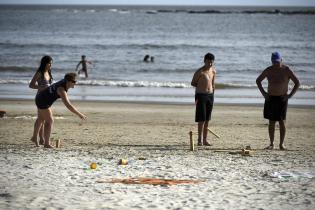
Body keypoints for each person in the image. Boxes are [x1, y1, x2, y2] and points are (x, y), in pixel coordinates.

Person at [256, 52, 300, 150]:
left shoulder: (286, 70)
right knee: (271, 122)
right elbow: (258, 80)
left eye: (277, 61)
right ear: (271, 61)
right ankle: (271, 144)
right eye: (273, 62)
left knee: (282, 122)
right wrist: (264, 93)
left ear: (281, 60)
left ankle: (281, 144)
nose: (275, 63)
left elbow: (297, 83)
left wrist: (289, 96)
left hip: (282, 99)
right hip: (270, 98)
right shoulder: (269, 70)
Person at [31, 72, 87, 148]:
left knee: (40, 119)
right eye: (74, 82)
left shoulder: (64, 81)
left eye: (75, 81)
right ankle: (47, 144)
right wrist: (79, 114)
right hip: (43, 101)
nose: (75, 83)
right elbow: (68, 105)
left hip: (40, 98)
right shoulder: (61, 90)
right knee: (49, 121)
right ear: (68, 81)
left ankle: (34, 137)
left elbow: (67, 77)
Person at [191, 53, 216, 146]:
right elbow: (193, 83)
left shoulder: (213, 71)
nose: (210, 64)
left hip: (210, 96)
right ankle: (199, 140)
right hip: (200, 96)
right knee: (201, 119)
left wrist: (213, 95)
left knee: (207, 119)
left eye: (211, 62)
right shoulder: (200, 72)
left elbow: (213, 85)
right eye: (208, 62)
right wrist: (201, 86)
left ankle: (205, 140)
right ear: (204, 61)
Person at [29, 55, 54, 145]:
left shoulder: (49, 72)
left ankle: (38, 138)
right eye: (49, 63)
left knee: (41, 119)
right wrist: (41, 87)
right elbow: (31, 85)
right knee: (47, 119)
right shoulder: (40, 72)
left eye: (51, 63)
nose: (50, 65)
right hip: (41, 97)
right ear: (45, 63)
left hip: (47, 98)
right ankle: (41, 139)